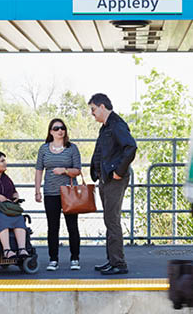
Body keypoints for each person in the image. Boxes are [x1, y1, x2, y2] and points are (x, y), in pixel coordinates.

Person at [88, 93, 137, 275]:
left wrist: (119, 171)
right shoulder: (106, 127)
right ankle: (112, 260)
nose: (92, 114)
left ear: (102, 107)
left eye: (93, 109)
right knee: (109, 220)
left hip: (115, 180)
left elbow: (131, 147)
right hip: (105, 179)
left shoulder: (117, 125)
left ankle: (119, 264)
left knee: (112, 220)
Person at [34, 118, 83, 271]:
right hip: (50, 192)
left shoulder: (72, 148)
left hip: (69, 192)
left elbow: (78, 170)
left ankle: (75, 258)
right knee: (52, 227)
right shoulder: (43, 149)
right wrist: (37, 190)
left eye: (62, 128)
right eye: (56, 128)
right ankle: (53, 259)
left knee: (72, 226)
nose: (60, 130)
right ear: (50, 132)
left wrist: (65, 170)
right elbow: (38, 170)